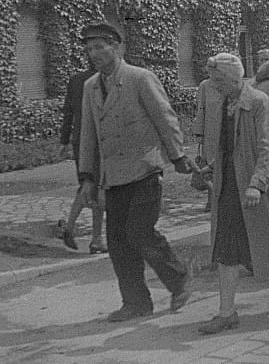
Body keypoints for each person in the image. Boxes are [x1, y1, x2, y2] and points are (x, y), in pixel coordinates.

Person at [78, 22, 195, 322]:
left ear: (116, 47)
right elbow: (88, 134)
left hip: (145, 169)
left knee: (139, 232)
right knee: (117, 243)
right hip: (113, 177)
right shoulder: (91, 87)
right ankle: (136, 302)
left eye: (99, 47)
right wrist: (87, 177)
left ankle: (179, 278)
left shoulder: (140, 78)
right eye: (90, 49)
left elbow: (164, 118)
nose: (94, 54)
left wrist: (178, 155)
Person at [198, 53, 269, 335]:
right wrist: (210, 167)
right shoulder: (224, 103)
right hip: (229, 184)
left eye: (218, 80)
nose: (213, 85)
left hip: (260, 183)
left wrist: (257, 184)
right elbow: (227, 145)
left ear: (233, 78)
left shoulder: (260, 102)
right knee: (226, 248)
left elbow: (268, 147)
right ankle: (227, 313)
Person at [58, 60, 107, 254]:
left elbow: (67, 113)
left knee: (88, 184)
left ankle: (87, 234)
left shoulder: (76, 80)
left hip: (80, 139)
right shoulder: (102, 82)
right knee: (97, 185)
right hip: (97, 139)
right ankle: (91, 236)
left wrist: (64, 141)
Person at [193, 72, 221, 213]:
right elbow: (200, 109)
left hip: (226, 131)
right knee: (209, 167)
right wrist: (199, 134)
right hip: (210, 134)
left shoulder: (232, 84)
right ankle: (211, 200)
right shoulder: (205, 86)